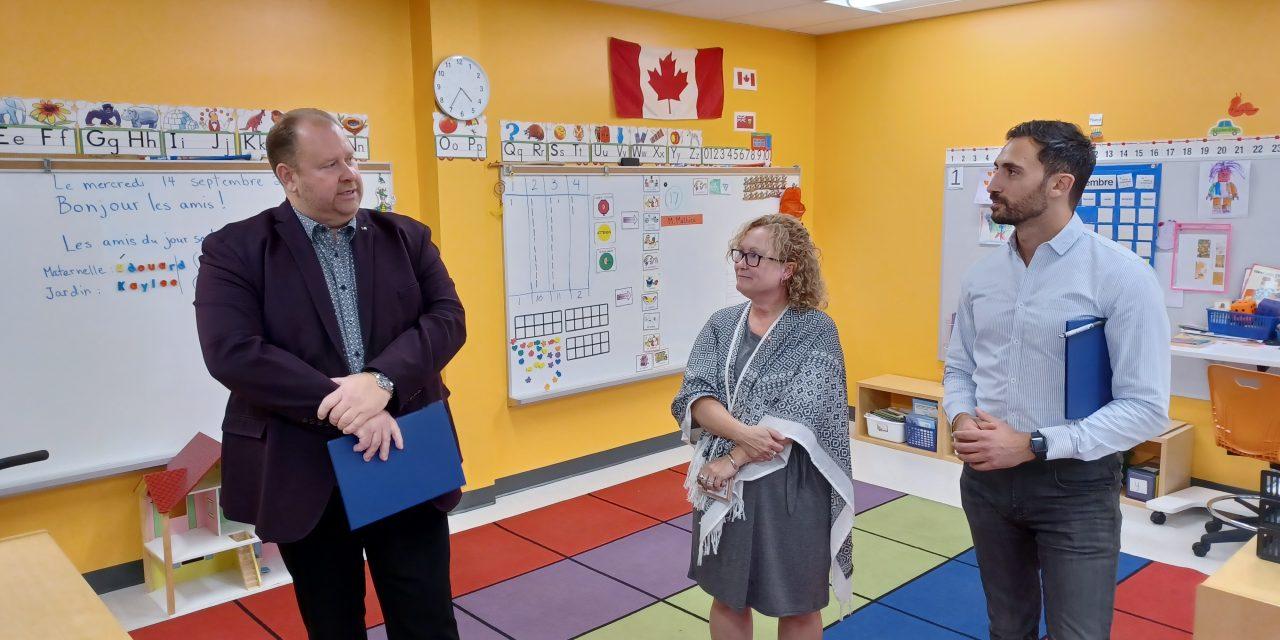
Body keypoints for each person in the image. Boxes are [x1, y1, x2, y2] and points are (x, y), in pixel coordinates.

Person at [194, 108, 466, 639]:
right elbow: (232, 350)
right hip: (304, 463)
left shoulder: (405, 238)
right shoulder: (236, 250)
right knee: (333, 622)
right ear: (287, 176)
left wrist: (381, 382)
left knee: (427, 618)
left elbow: (448, 320)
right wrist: (356, 410)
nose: (349, 175)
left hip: (403, 448)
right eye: (328, 165)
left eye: (351, 159)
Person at [943, 120, 1170, 640]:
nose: (992, 184)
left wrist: (1035, 444)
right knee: (1009, 627)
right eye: (995, 168)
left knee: (1078, 634)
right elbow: (959, 368)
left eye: (1010, 170)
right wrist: (962, 419)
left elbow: (1146, 406)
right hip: (987, 483)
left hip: (1076, 487)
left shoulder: (1121, 276)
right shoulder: (981, 276)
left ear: (1059, 184)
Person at [672, 214, 855, 640]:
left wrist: (735, 457)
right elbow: (696, 396)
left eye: (754, 256)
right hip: (723, 481)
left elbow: (802, 410)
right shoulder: (721, 324)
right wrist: (740, 440)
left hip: (790, 483)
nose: (742, 262)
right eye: (739, 253)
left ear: (788, 268)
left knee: (798, 601)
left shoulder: (815, 329)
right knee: (728, 594)